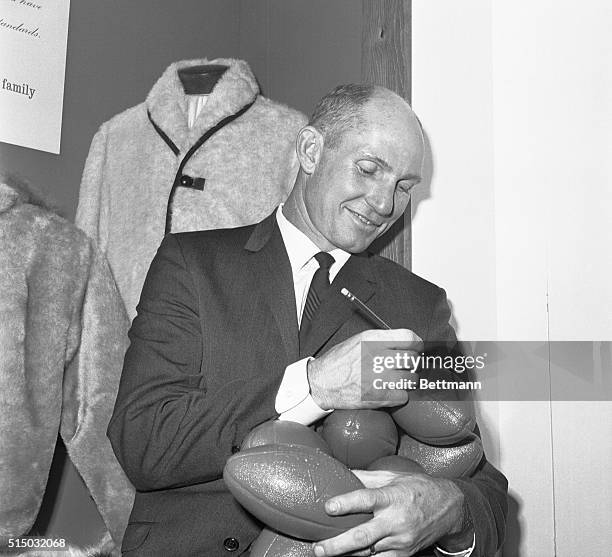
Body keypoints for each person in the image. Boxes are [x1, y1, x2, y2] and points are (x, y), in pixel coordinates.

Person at [108, 84, 508, 556]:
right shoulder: (191, 265)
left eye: (403, 186)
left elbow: (477, 473)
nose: (384, 204)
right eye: (369, 169)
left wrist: (453, 513)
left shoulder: (420, 304)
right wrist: (313, 386)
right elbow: (141, 441)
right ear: (311, 150)